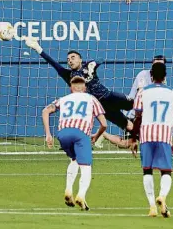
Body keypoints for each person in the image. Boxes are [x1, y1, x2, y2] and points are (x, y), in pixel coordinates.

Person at [24, 38, 135, 133]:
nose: (70, 61)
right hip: (101, 107)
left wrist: (94, 63)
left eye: (73, 58)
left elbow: (100, 59)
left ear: (80, 59)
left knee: (137, 105)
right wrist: (38, 49)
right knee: (129, 126)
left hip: (110, 96)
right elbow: (53, 63)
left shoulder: (88, 66)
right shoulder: (68, 75)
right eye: (68, 59)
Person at [42, 76, 107, 211]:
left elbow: (46, 111)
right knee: (86, 166)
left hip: (63, 134)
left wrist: (48, 134)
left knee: (74, 160)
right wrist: (97, 135)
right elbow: (104, 124)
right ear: (85, 88)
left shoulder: (63, 99)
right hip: (81, 134)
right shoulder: (91, 99)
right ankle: (81, 195)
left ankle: (68, 189)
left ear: (71, 88)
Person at [132, 62, 173, 218]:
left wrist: (133, 138)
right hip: (164, 135)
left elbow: (137, 117)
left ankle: (152, 206)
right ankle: (163, 196)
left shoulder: (142, 93)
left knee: (147, 170)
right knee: (166, 171)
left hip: (146, 135)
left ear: (151, 76)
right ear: (165, 76)